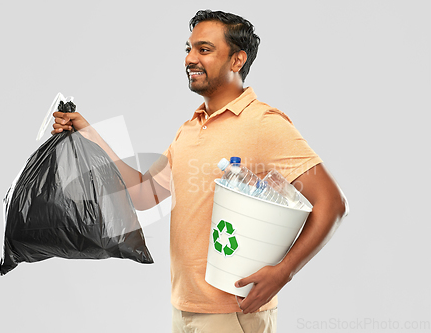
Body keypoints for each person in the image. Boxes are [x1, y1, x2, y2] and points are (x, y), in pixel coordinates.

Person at [51, 10, 348, 333]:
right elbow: (143, 193)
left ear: (237, 60)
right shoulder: (189, 130)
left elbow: (331, 203)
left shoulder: (264, 124)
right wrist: (89, 135)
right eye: (189, 49)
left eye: (204, 50)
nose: (190, 59)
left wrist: (283, 273)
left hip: (233, 314)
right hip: (185, 309)